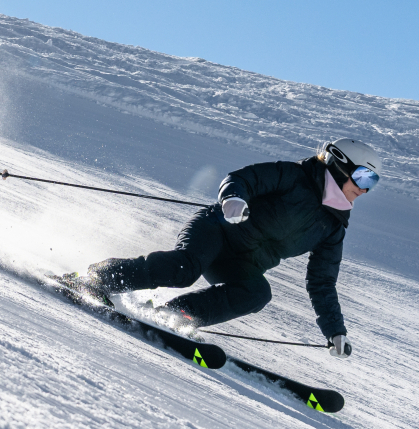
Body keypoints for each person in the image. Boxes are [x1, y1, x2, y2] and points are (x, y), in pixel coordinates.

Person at [76, 139, 384, 357]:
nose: (365, 187)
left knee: (258, 293)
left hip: (242, 262)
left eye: (373, 182)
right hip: (216, 230)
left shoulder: (332, 228)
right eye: (363, 175)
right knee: (185, 269)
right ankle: (100, 278)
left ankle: (174, 316)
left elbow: (322, 282)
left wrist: (335, 331)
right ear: (339, 165)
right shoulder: (294, 176)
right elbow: (242, 179)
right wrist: (234, 199)